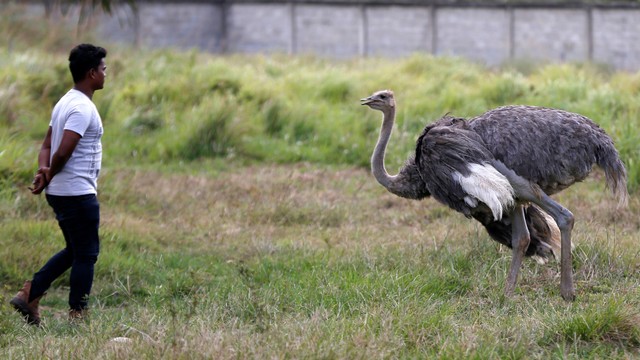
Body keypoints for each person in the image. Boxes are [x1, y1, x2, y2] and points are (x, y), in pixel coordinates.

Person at [10, 44, 107, 325]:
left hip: (62, 191)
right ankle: (78, 315)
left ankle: (29, 294)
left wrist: (44, 170)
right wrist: (50, 171)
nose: (105, 74)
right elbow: (62, 149)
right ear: (91, 73)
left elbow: (46, 146)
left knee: (74, 250)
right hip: (76, 191)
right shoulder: (81, 107)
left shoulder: (65, 101)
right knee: (86, 255)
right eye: (103, 69)